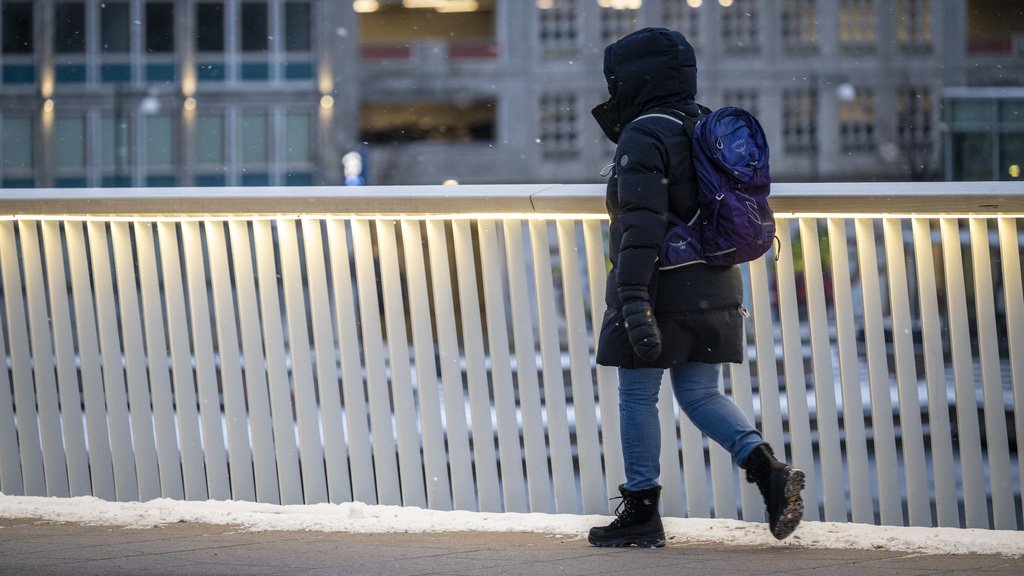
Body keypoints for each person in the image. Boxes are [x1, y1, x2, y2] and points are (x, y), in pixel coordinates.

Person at [587, 27, 805, 548]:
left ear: (635, 79)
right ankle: (767, 469)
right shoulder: (704, 124)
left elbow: (639, 227)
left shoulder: (644, 133)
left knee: (637, 394)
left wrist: (631, 296)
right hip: (717, 280)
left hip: (662, 285)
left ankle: (641, 511)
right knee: (700, 392)